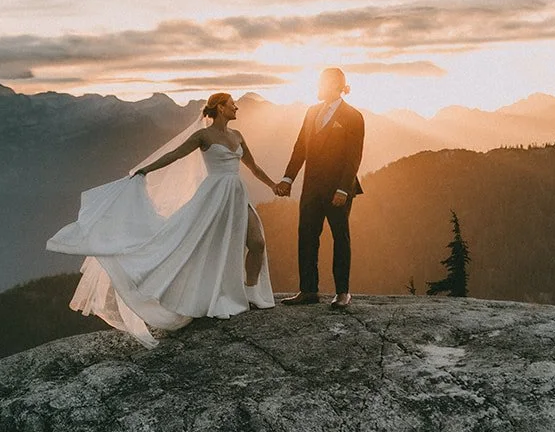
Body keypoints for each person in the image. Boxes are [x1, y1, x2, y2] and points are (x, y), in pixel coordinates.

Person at [46, 92, 280, 347]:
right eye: (232, 103)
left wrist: (274, 186)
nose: (237, 107)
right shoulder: (203, 136)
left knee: (256, 243)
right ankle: (212, 294)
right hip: (214, 197)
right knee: (206, 248)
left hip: (236, 194)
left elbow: (254, 168)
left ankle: (251, 291)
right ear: (220, 108)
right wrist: (145, 169)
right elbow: (176, 154)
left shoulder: (238, 136)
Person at [275, 68, 365, 308]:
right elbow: (300, 147)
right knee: (306, 235)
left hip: (339, 189)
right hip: (311, 187)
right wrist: (288, 178)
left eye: (322, 83)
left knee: (340, 237)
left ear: (336, 85)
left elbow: (353, 157)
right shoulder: (311, 111)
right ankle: (308, 291)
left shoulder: (353, 116)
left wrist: (344, 189)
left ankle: (343, 292)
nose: (318, 87)